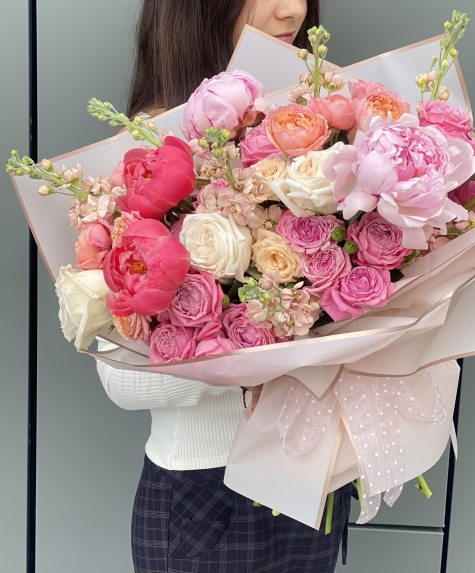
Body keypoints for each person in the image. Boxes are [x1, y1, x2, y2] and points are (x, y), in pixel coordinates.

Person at [96, 1, 355, 572]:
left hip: (314, 476)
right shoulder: (146, 152)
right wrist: (255, 350)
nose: (294, 8)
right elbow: (120, 378)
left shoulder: (318, 129)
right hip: (207, 493)